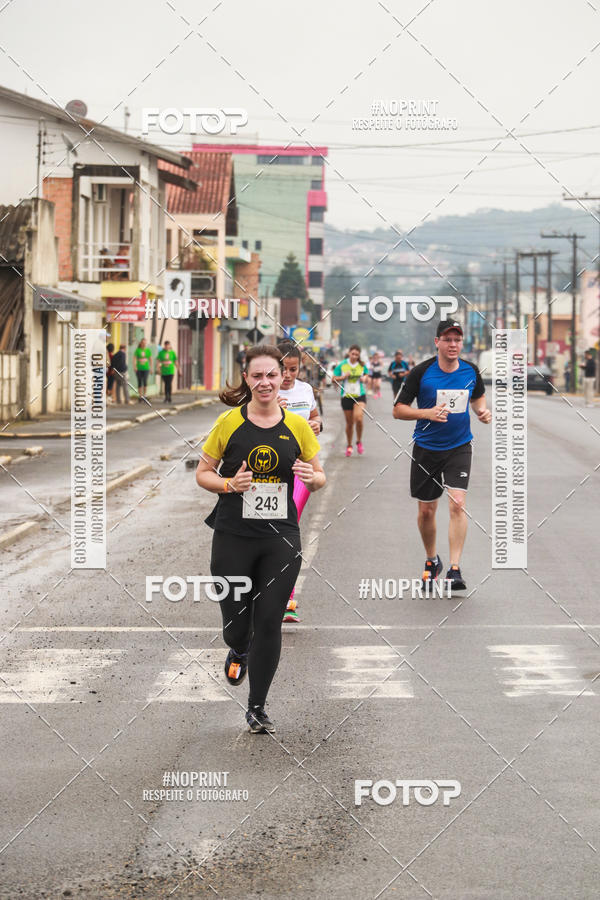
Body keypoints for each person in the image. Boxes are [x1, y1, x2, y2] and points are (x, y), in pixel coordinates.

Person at [196, 345, 325, 733]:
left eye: (272, 375)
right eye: (258, 375)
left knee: (270, 621)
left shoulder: (297, 426)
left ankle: (257, 707)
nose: (266, 382)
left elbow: (319, 477)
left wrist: (310, 477)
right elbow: (203, 473)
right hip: (233, 535)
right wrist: (228, 484)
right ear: (247, 378)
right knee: (237, 625)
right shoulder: (229, 422)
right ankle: (238, 647)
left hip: (281, 538)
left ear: (280, 377)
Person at [393, 320, 491, 593]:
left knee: (457, 504)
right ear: (437, 342)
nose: (453, 345)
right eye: (447, 340)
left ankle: (455, 569)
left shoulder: (471, 371)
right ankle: (432, 560)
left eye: (457, 340)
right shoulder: (421, 372)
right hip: (426, 447)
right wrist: (426, 413)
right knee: (427, 510)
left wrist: (483, 412)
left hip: (459, 447)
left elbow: (478, 399)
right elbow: (398, 410)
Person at [276, 340, 322, 623]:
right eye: (283, 369)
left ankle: (287, 598)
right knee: (271, 532)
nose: (288, 375)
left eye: (293, 369)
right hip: (271, 472)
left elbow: (314, 418)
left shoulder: (306, 391)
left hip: (302, 469)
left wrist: (318, 425)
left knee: (288, 528)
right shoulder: (264, 391)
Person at [332, 345, 369, 456]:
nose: (354, 356)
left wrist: (364, 378)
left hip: (359, 395)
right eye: (352, 354)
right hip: (346, 396)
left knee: (358, 418)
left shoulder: (362, 365)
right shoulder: (342, 365)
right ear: (349, 353)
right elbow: (333, 378)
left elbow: (366, 375)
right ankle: (349, 445)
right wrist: (343, 377)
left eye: (356, 355)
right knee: (349, 423)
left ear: (359, 355)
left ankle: (358, 441)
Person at [134, 338, 152, 402]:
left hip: (146, 368)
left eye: (145, 343)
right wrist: (135, 366)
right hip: (139, 368)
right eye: (143, 343)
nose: (144, 344)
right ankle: (140, 396)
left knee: (145, 381)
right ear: (141, 343)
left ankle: (145, 395)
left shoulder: (148, 350)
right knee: (139, 382)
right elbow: (135, 359)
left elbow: (150, 359)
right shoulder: (138, 350)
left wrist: (151, 368)